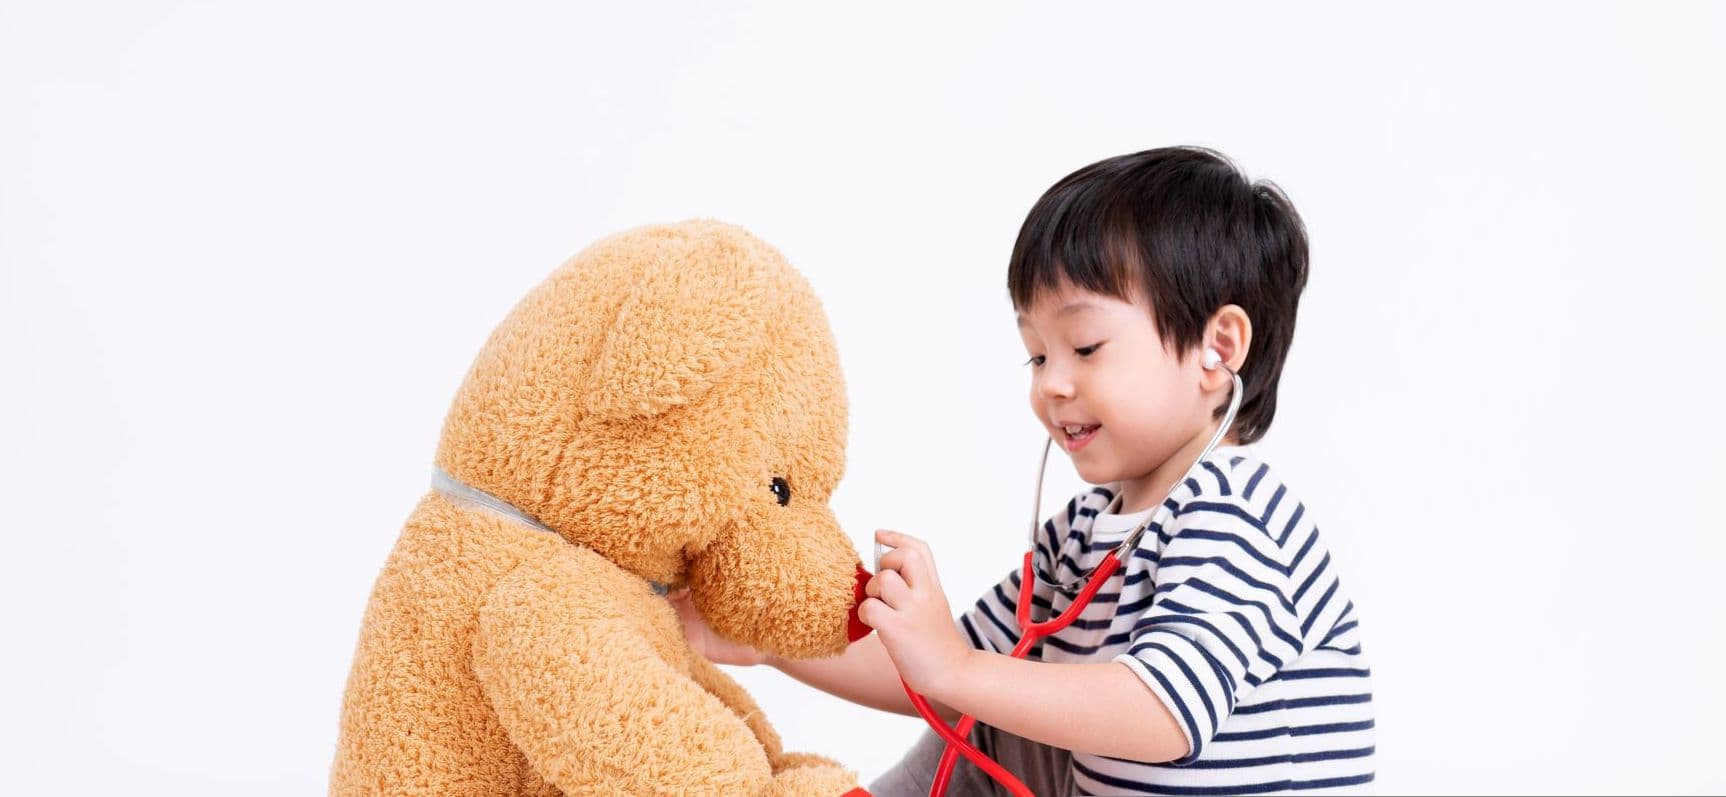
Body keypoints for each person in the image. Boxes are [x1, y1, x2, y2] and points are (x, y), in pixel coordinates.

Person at [674, 146, 1375, 795]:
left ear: (1216, 348)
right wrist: (767, 640)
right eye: (1037, 355)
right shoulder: (1080, 533)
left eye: (1086, 345)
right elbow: (941, 680)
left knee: (998, 693)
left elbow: (1163, 709)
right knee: (996, 710)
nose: (1052, 385)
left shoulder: (1235, 513)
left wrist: (959, 667)